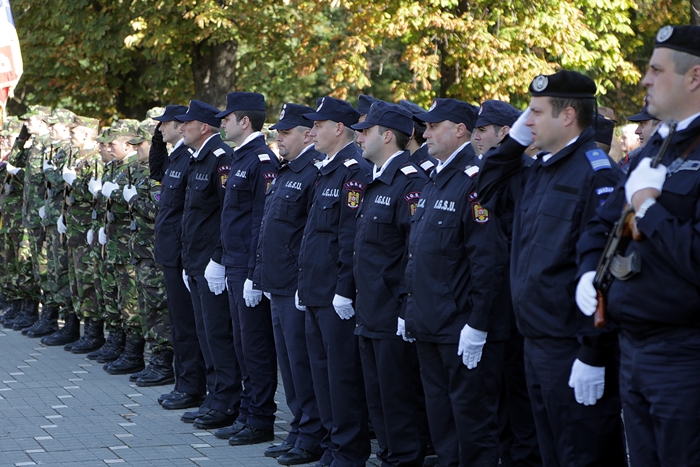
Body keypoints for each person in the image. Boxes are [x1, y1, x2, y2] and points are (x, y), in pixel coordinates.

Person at [477, 70, 626, 467]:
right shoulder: (540, 170)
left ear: (568, 116)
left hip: (572, 347)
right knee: (552, 454)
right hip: (535, 342)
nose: (527, 121)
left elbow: (606, 267)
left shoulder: (596, 173)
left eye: (537, 113)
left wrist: (593, 351)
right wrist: (514, 143)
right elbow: (487, 189)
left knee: (584, 455)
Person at [576, 24, 700, 466]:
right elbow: (602, 223)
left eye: (656, 70)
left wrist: (649, 208)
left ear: (694, 77)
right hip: (633, 349)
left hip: (685, 356)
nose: (645, 80)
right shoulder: (657, 148)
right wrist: (588, 271)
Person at [406, 98, 509, 467]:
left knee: (472, 422)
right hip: (429, 322)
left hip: (460, 327)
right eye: (426, 127)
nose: (426, 134)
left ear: (460, 130)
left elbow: (488, 260)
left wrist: (478, 324)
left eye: (434, 127)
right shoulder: (436, 179)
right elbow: (418, 254)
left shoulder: (475, 180)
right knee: (442, 419)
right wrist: (410, 311)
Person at [352, 101, 430, 467]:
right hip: (369, 308)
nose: (359, 137)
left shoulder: (409, 182)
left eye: (366, 131)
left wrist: (404, 309)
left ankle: (403, 459)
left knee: (398, 398)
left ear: (387, 136)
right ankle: (389, 456)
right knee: (378, 396)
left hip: (391, 311)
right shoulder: (377, 178)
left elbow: (412, 253)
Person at [296, 96, 373, 467]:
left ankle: (348, 451)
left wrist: (344, 289)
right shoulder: (325, 169)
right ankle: (331, 445)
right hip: (315, 289)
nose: (311, 132)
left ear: (339, 128)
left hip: (334, 294)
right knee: (322, 374)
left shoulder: (353, 171)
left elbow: (349, 238)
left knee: (342, 377)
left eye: (318, 125)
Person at [254, 103, 326, 465]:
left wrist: (301, 283)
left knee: (302, 365)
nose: (279, 138)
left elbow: (311, 236)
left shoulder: (313, 172)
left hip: (296, 285)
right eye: (278, 132)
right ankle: (299, 427)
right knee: (290, 365)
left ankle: (312, 435)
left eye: (286, 132)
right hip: (277, 281)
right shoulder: (286, 170)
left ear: (307, 134)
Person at [472, 100, 541, 467]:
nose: (476, 136)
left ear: (505, 132)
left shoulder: (527, 171)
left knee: (518, 390)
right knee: (496, 391)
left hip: (517, 300)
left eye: (483, 130)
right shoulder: (487, 171)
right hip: (494, 298)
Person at [215, 91, 279, 445]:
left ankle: (260, 419)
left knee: (255, 345)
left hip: (247, 266)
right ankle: (247, 412)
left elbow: (259, 221)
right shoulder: (240, 157)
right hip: (234, 262)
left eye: (227, 117)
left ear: (244, 121)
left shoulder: (261, 160)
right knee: (242, 343)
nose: (222, 123)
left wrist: (255, 273)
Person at [175, 101, 241, 429]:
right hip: (196, 260)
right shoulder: (197, 158)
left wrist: (218, 258)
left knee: (217, 334)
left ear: (203, 127)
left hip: (211, 262)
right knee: (205, 333)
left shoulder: (220, 158)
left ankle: (226, 401)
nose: (181, 128)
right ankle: (215, 397)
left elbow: (228, 215)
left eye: (187, 123)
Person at [148, 105, 207, 405]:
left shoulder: (190, 157)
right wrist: (157, 141)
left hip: (181, 251)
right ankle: (184, 383)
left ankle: (191, 387)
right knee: (179, 322)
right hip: (170, 250)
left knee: (186, 324)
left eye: (164, 124)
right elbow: (156, 172)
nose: (160, 129)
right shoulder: (177, 155)